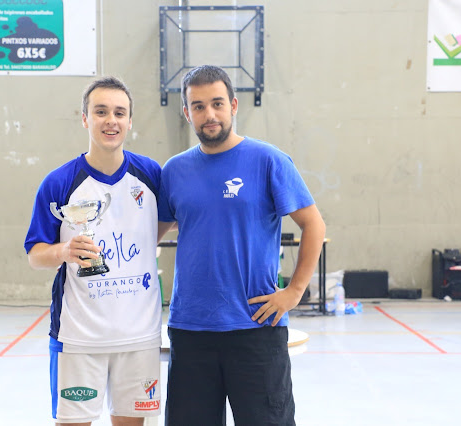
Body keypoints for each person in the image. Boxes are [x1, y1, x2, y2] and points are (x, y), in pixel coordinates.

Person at [157, 65, 327, 426]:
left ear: (233, 105)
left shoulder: (268, 160)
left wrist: (294, 291)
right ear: (187, 113)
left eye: (217, 103)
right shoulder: (174, 171)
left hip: (256, 328)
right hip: (191, 330)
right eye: (199, 106)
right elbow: (148, 237)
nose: (210, 114)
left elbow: (313, 225)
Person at [25, 77, 164, 426]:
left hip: (140, 337)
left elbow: (171, 222)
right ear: (85, 118)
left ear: (130, 120)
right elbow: (35, 254)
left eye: (120, 112)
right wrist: (64, 251)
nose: (110, 120)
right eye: (100, 111)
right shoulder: (58, 183)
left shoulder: (151, 176)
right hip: (79, 338)